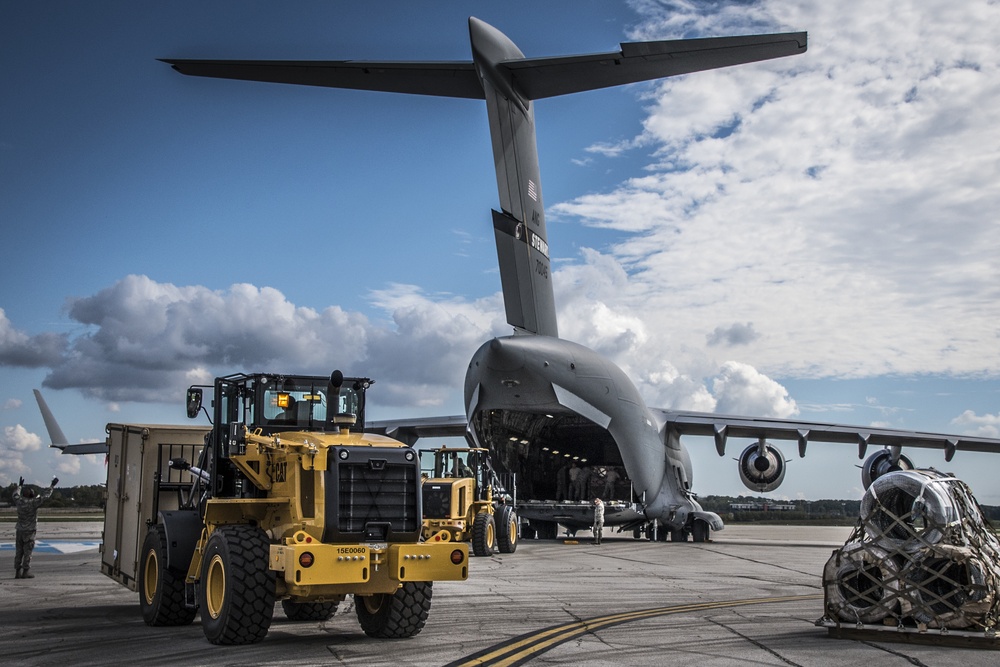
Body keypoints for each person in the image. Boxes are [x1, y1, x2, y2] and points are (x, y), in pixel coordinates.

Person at [13, 476, 58, 579]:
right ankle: (26, 571)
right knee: (27, 551)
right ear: (32, 495)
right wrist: (52, 486)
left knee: (19, 551)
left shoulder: (19, 501)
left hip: (20, 529)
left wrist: (19, 486)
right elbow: (45, 496)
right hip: (29, 530)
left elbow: (15, 494)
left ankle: (17, 571)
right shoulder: (33, 503)